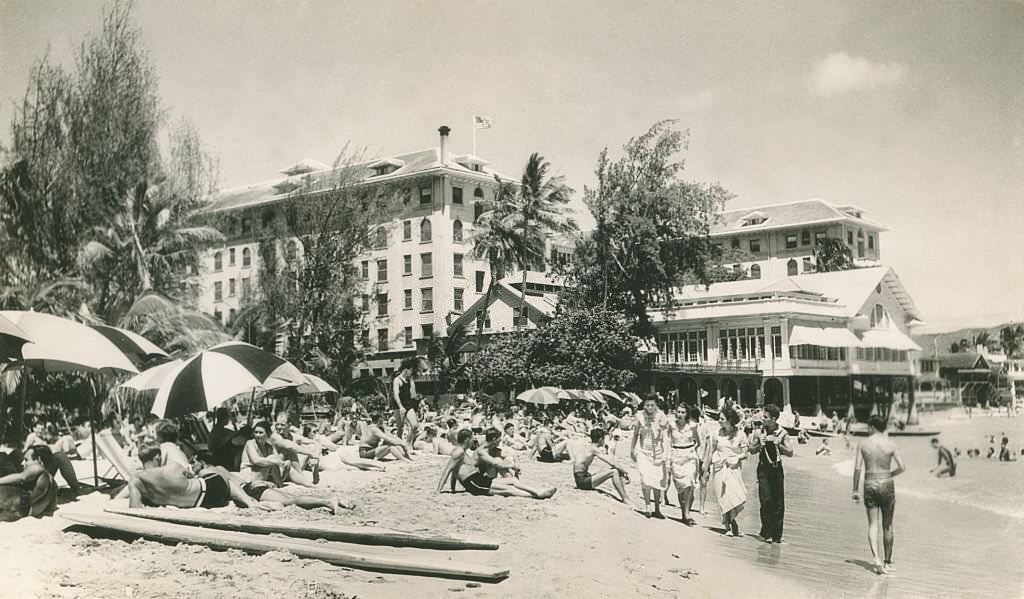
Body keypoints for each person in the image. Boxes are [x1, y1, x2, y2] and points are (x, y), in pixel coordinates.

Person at [128, 442, 262, 510]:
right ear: (157, 457)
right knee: (213, 471)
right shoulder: (172, 467)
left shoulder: (135, 481)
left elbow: (135, 508)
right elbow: (192, 476)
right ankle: (248, 499)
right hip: (211, 490)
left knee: (212, 473)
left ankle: (247, 497)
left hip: (201, 503)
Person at [852, 415, 906, 575]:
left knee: (873, 524)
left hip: (869, 484)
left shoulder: (863, 444)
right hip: (886, 483)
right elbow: (902, 466)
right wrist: (889, 474)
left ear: (872, 427)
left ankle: (876, 557)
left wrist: (855, 490)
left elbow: (857, 468)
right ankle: (887, 563)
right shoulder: (891, 444)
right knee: (888, 525)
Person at [437, 429, 556, 499]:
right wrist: (438, 491)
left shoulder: (462, 452)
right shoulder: (458, 452)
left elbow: (454, 471)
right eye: (472, 438)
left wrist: (452, 489)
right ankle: (537, 495)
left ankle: (537, 491)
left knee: (512, 481)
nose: (474, 440)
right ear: (467, 439)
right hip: (474, 483)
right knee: (508, 490)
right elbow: (448, 470)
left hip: (477, 479)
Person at [749, 404, 793, 544]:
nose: (762, 419)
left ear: (774, 419)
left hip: (777, 469)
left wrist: (777, 444)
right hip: (763, 469)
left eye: (766, 417)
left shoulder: (782, 433)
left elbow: (790, 452)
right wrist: (759, 445)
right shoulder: (758, 432)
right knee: (766, 500)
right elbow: (751, 450)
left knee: (778, 503)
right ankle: (765, 531)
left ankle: (777, 536)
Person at [710, 405, 748, 537]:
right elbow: (711, 450)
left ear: (730, 420)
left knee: (733, 495)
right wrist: (705, 467)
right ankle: (728, 525)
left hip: (733, 468)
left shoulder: (741, 435)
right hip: (719, 467)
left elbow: (745, 453)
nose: (719, 421)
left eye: (722, 419)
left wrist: (736, 458)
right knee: (722, 496)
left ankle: (732, 520)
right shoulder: (716, 433)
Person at [630, 394, 670, 519]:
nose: (649, 407)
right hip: (643, 451)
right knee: (645, 479)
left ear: (656, 405)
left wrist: (665, 453)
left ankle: (657, 509)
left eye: (652, 405)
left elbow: (665, 436)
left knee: (657, 480)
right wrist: (632, 450)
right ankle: (647, 506)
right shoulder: (639, 416)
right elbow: (635, 434)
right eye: (647, 405)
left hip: (657, 452)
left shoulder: (661, 416)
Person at [572, 428, 630, 504]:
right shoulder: (594, 449)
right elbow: (612, 463)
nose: (604, 441)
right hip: (582, 482)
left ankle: (625, 497)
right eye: (604, 439)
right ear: (600, 439)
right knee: (614, 471)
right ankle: (625, 499)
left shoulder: (588, 446)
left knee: (611, 469)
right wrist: (625, 472)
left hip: (580, 478)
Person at [0, 445, 58, 518]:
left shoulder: (38, 467)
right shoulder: (50, 479)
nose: (23, 463)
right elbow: (52, 505)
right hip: (33, 510)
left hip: (22, 509)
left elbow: (22, 477)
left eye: (26, 460)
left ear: (38, 459)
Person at [667, 405, 701, 524]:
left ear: (687, 414)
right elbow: (666, 441)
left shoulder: (692, 426)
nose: (680, 414)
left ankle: (687, 514)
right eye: (678, 412)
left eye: (683, 412)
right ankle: (683, 513)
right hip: (676, 456)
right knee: (681, 487)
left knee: (690, 483)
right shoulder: (671, 425)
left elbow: (698, 442)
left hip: (690, 457)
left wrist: (692, 451)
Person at [697, 408, 720, 515]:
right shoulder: (717, 427)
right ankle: (701, 507)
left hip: (703, 455)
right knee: (704, 482)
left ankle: (699, 506)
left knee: (701, 481)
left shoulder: (705, 426)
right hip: (712, 457)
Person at [392, 358, 420, 446]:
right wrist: (400, 407)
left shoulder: (409, 380)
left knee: (415, 426)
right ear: (406, 370)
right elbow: (396, 395)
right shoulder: (397, 380)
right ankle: (398, 446)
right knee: (400, 428)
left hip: (408, 405)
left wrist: (413, 385)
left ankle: (408, 444)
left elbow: (413, 395)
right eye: (411, 370)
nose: (412, 372)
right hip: (398, 406)